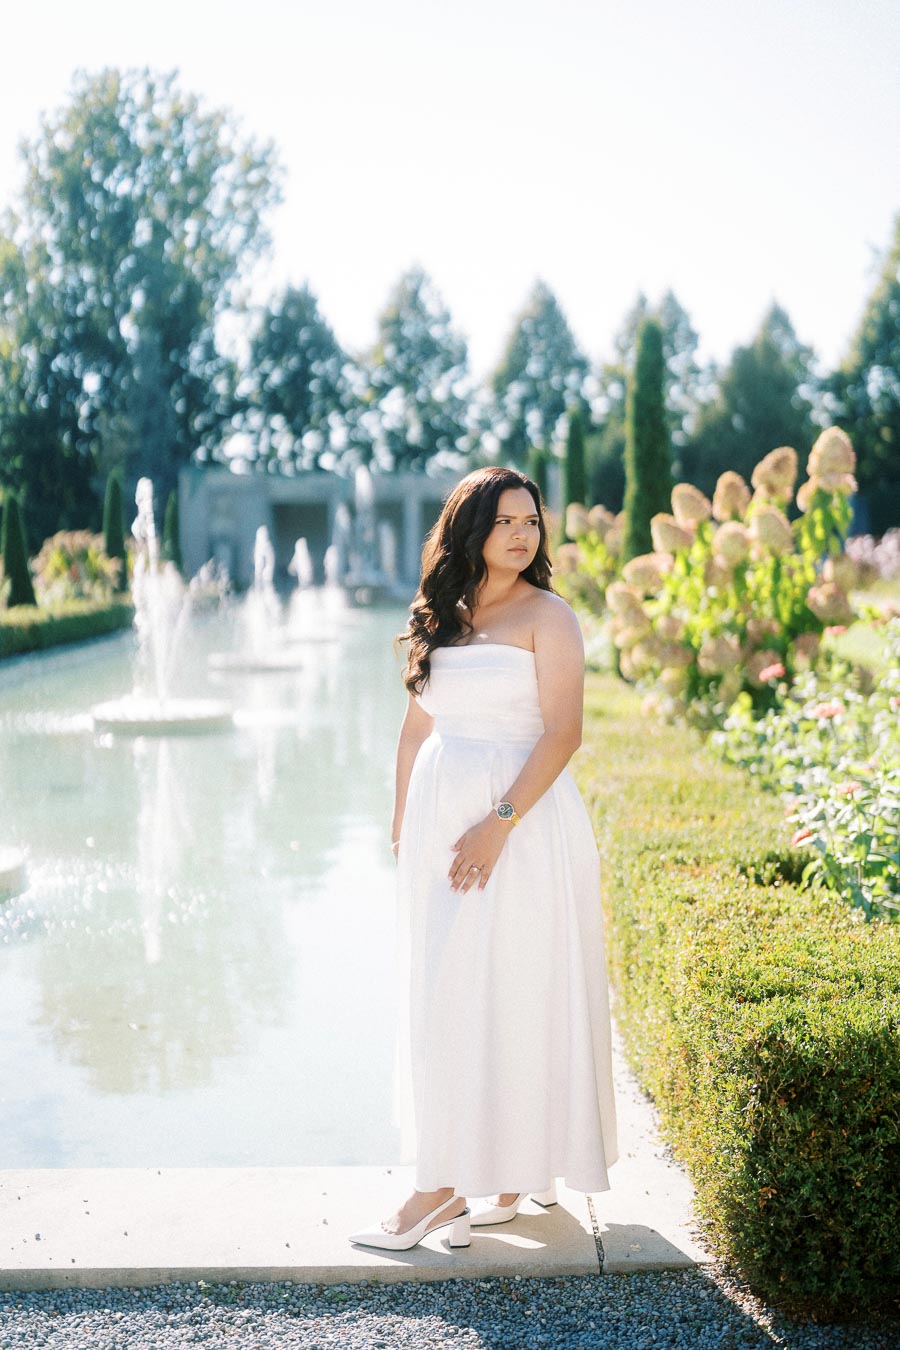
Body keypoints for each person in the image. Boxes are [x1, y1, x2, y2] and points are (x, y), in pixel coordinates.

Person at [349, 465, 618, 1252]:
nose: (522, 534)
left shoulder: (550, 615)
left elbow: (563, 733)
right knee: (447, 991)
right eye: (505, 521)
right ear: (471, 529)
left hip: (524, 828)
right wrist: (404, 825)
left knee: (517, 990)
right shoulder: (442, 612)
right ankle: (471, 1179)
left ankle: (450, 1188)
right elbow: (415, 729)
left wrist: (498, 823)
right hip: (441, 827)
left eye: (531, 521)